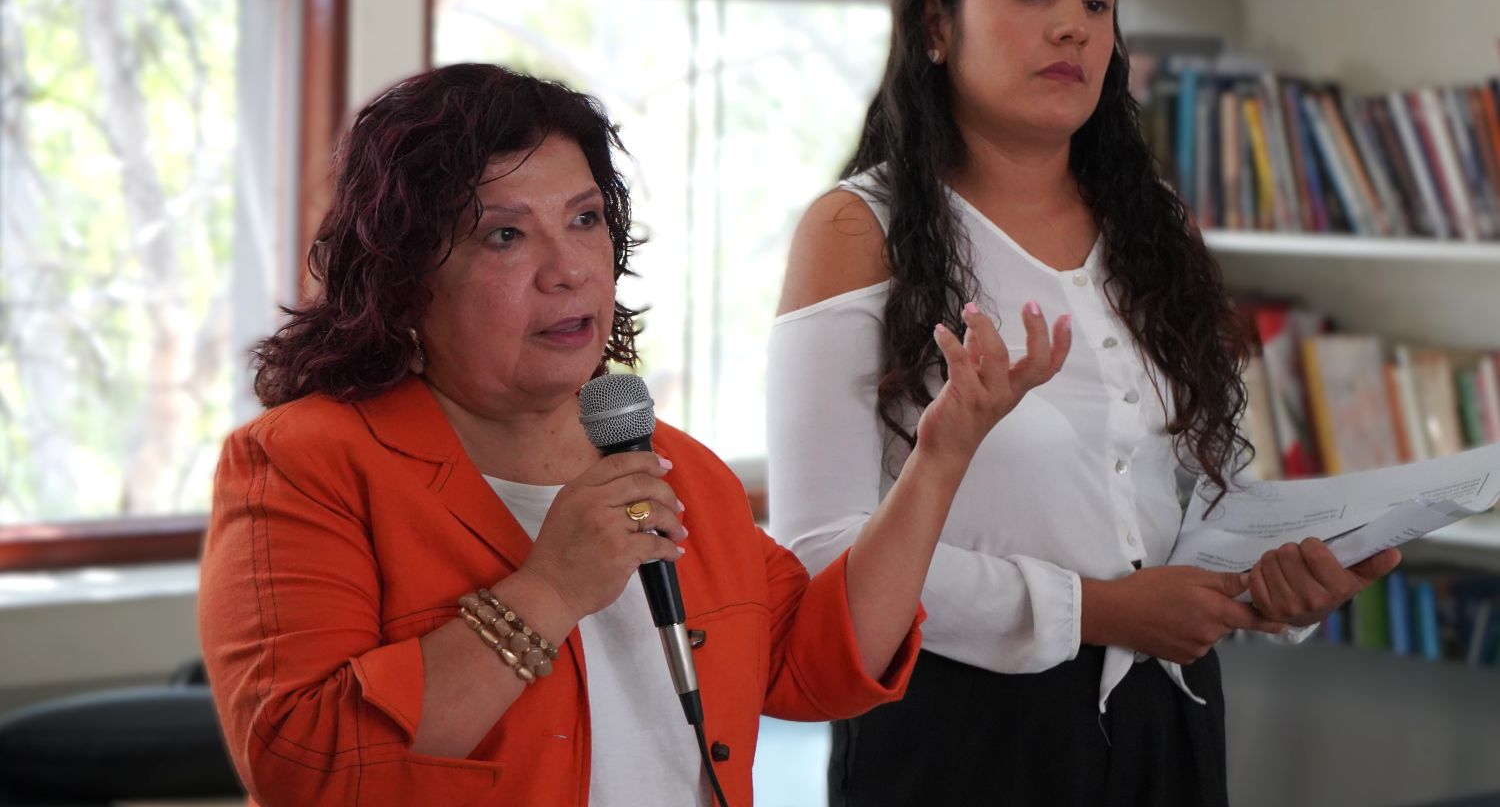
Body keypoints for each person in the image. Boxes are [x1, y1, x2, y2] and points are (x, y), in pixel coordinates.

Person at [196, 63, 1070, 807]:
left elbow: (818, 662)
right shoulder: (302, 464)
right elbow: (306, 768)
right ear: (402, 277)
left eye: (585, 219)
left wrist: (940, 457)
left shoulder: (672, 464)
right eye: (506, 235)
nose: (570, 268)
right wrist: (550, 588)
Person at [767, 0, 1402, 807]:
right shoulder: (858, 229)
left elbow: (1196, 494)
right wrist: (1095, 611)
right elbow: (821, 555)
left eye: (1097, 3)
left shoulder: (1155, 226)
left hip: (1172, 710)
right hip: (953, 730)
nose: (1073, 27)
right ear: (936, 25)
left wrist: (1273, 585)